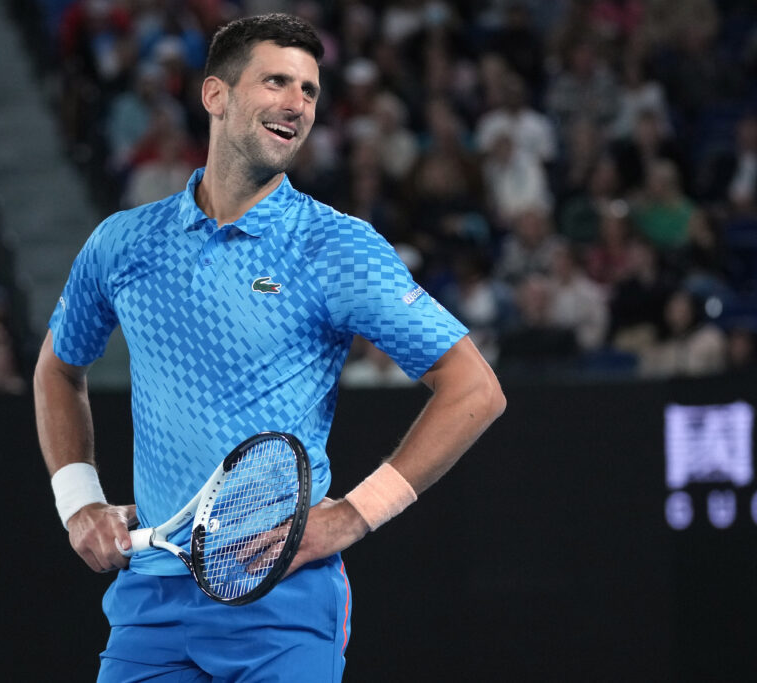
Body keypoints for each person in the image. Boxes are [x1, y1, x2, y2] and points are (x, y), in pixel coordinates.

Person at [34, 14, 505, 682]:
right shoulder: (123, 242)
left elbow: (475, 388)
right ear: (215, 95)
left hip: (282, 600)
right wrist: (79, 502)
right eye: (276, 82)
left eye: (310, 90)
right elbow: (57, 369)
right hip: (149, 601)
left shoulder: (335, 246)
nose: (297, 104)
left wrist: (352, 516)